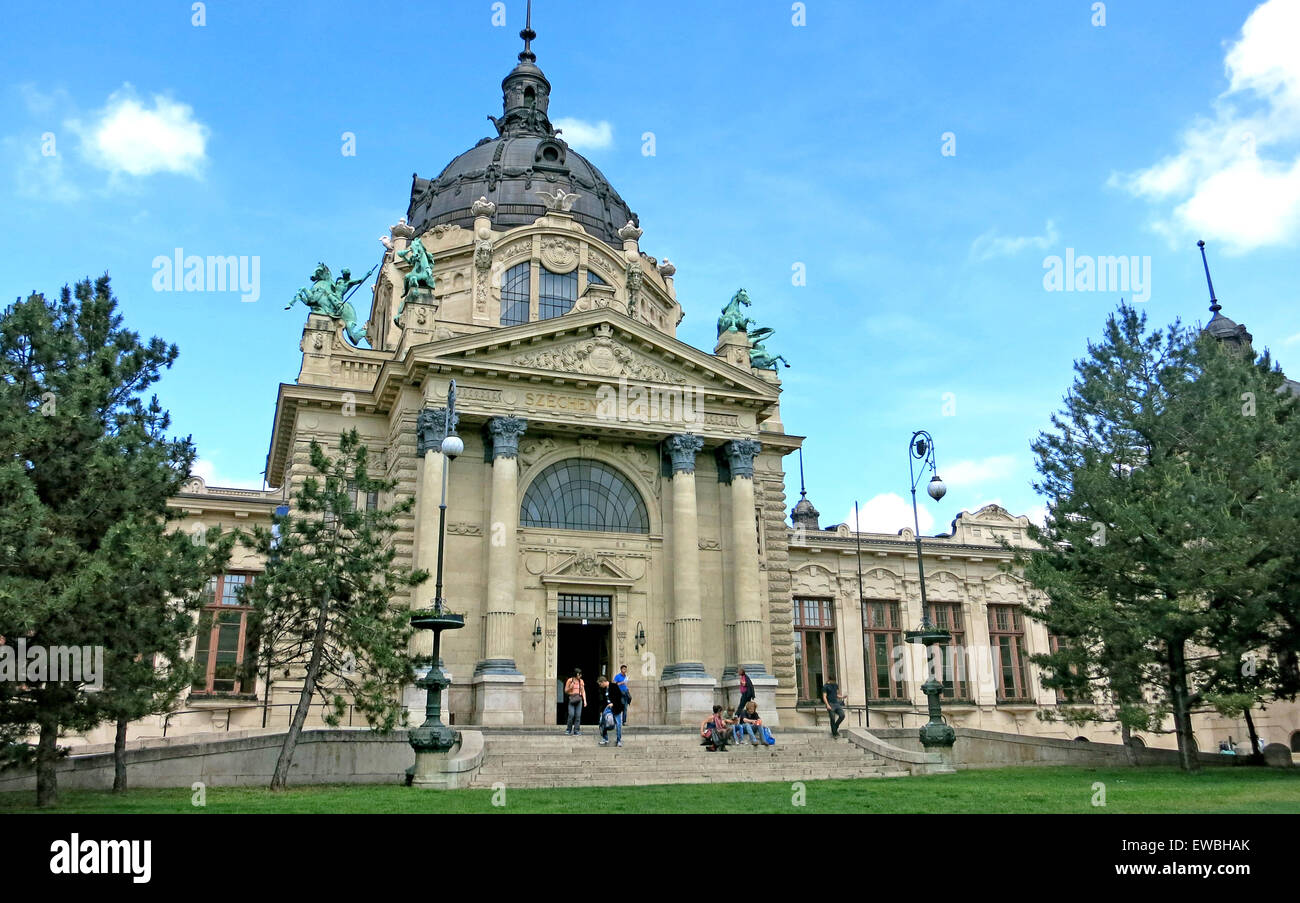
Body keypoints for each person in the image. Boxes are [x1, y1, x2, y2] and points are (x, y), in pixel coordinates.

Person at [597, 676, 624, 747]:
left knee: (618, 724)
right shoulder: (603, 690)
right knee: (602, 722)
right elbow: (602, 701)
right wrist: (601, 711)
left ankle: (619, 740)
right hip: (607, 708)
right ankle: (605, 738)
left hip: (616, 708)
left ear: (603, 682)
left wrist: (613, 703)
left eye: (600, 684)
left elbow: (619, 696)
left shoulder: (614, 686)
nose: (600, 686)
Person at [564, 668, 586, 736]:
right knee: (571, 714)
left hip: (579, 699)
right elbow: (566, 691)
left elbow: (583, 691)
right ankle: (568, 729)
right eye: (579, 674)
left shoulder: (581, 681)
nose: (580, 676)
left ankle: (576, 730)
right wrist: (570, 687)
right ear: (575, 674)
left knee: (578, 716)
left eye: (580, 674)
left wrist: (585, 700)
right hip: (572, 698)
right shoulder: (570, 680)